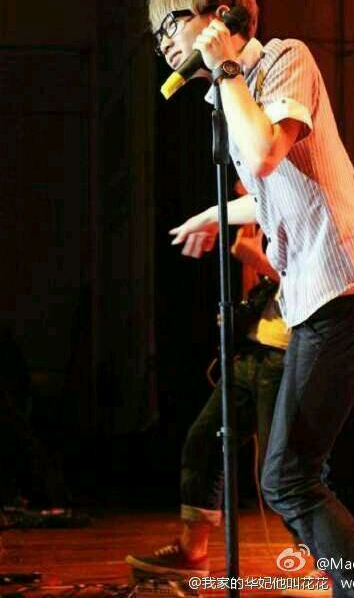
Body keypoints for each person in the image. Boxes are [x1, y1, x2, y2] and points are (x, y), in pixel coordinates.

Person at [144, 0, 354, 597]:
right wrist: (213, 213)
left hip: (341, 291)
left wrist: (227, 68)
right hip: (348, 293)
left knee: (286, 477)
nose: (164, 41)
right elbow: (274, 189)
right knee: (352, 475)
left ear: (218, 15)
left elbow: (262, 154)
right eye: (157, 33)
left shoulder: (283, 58)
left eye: (171, 22)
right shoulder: (233, 96)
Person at [126, 225, 291, 576]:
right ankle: (191, 552)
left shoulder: (318, 212)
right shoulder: (270, 217)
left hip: (287, 356)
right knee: (204, 442)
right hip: (254, 352)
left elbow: (317, 284)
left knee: (283, 471)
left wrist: (257, 259)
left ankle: (325, 563)